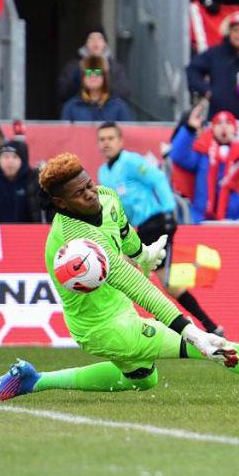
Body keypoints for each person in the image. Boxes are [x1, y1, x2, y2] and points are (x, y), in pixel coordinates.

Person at [0, 152, 239, 403]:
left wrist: (144, 254)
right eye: (80, 193)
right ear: (60, 203)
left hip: (117, 308)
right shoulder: (78, 242)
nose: (91, 193)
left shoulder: (107, 196)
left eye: (89, 183)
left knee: (144, 380)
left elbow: (124, 234)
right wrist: (193, 332)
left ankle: (34, 380)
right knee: (216, 348)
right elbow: (138, 286)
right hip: (104, 328)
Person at [96, 121, 224, 335]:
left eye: (110, 138)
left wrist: (168, 209)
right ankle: (208, 325)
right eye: (102, 139)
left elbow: (157, 179)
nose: (106, 143)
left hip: (156, 220)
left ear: (120, 141)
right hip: (141, 228)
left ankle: (157, 322)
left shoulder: (131, 161)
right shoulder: (103, 173)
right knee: (165, 282)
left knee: (128, 271)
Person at [169, 104, 239, 222]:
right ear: (213, 129)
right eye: (219, 123)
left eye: (228, 123)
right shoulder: (203, 154)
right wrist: (189, 129)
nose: (224, 127)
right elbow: (177, 155)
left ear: (235, 128)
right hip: (203, 219)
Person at [57, 28, 133, 104]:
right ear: (86, 44)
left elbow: (124, 94)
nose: (95, 41)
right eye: (91, 38)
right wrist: (79, 73)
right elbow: (63, 93)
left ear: (105, 43)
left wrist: (106, 75)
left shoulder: (115, 68)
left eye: (99, 38)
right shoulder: (73, 66)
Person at [61, 56, 134, 122]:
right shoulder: (72, 106)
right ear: (83, 78)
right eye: (88, 72)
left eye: (97, 72)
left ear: (104, 77)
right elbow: (65, 135)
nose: (93, 76)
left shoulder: (118, 106)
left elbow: (129, 134)